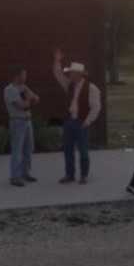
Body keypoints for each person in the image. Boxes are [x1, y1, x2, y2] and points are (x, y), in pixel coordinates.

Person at [52, 48, 102, 184]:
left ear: (79, 74)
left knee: (83, 151)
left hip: (82, 123)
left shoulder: (92, 88)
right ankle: (69, 175)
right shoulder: (69, 85)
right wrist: (57, 61)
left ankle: (84, 175)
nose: (69, 75)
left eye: (72, 73)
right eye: (70, 73)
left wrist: (87, 122)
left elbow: (96, 107)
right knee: (67, 150)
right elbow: (58, 74)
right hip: (69, 122)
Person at [3, 67, 40, 187]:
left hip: (28, 121)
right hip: (17, 122)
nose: (25, 77)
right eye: (23, 75)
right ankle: (15, 177)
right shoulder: (10, 90)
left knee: (28, 148)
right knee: (17, 150)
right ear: (16, 76)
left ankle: (25, 173)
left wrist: (30, 98)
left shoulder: (24, 88)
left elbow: (37, 99)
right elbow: (21, 106)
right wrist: (29, 99)